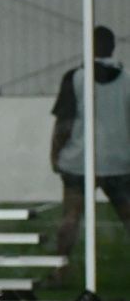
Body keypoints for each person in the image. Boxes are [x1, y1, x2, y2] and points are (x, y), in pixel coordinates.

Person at [49, 26, 130, 284]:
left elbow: (64, 122)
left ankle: (61, 270)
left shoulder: (75, 77)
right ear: (112, 47)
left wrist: (55, 154)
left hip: (79, 161)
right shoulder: (128, 78)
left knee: (71, 217)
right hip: (120, 161)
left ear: (89, 46)